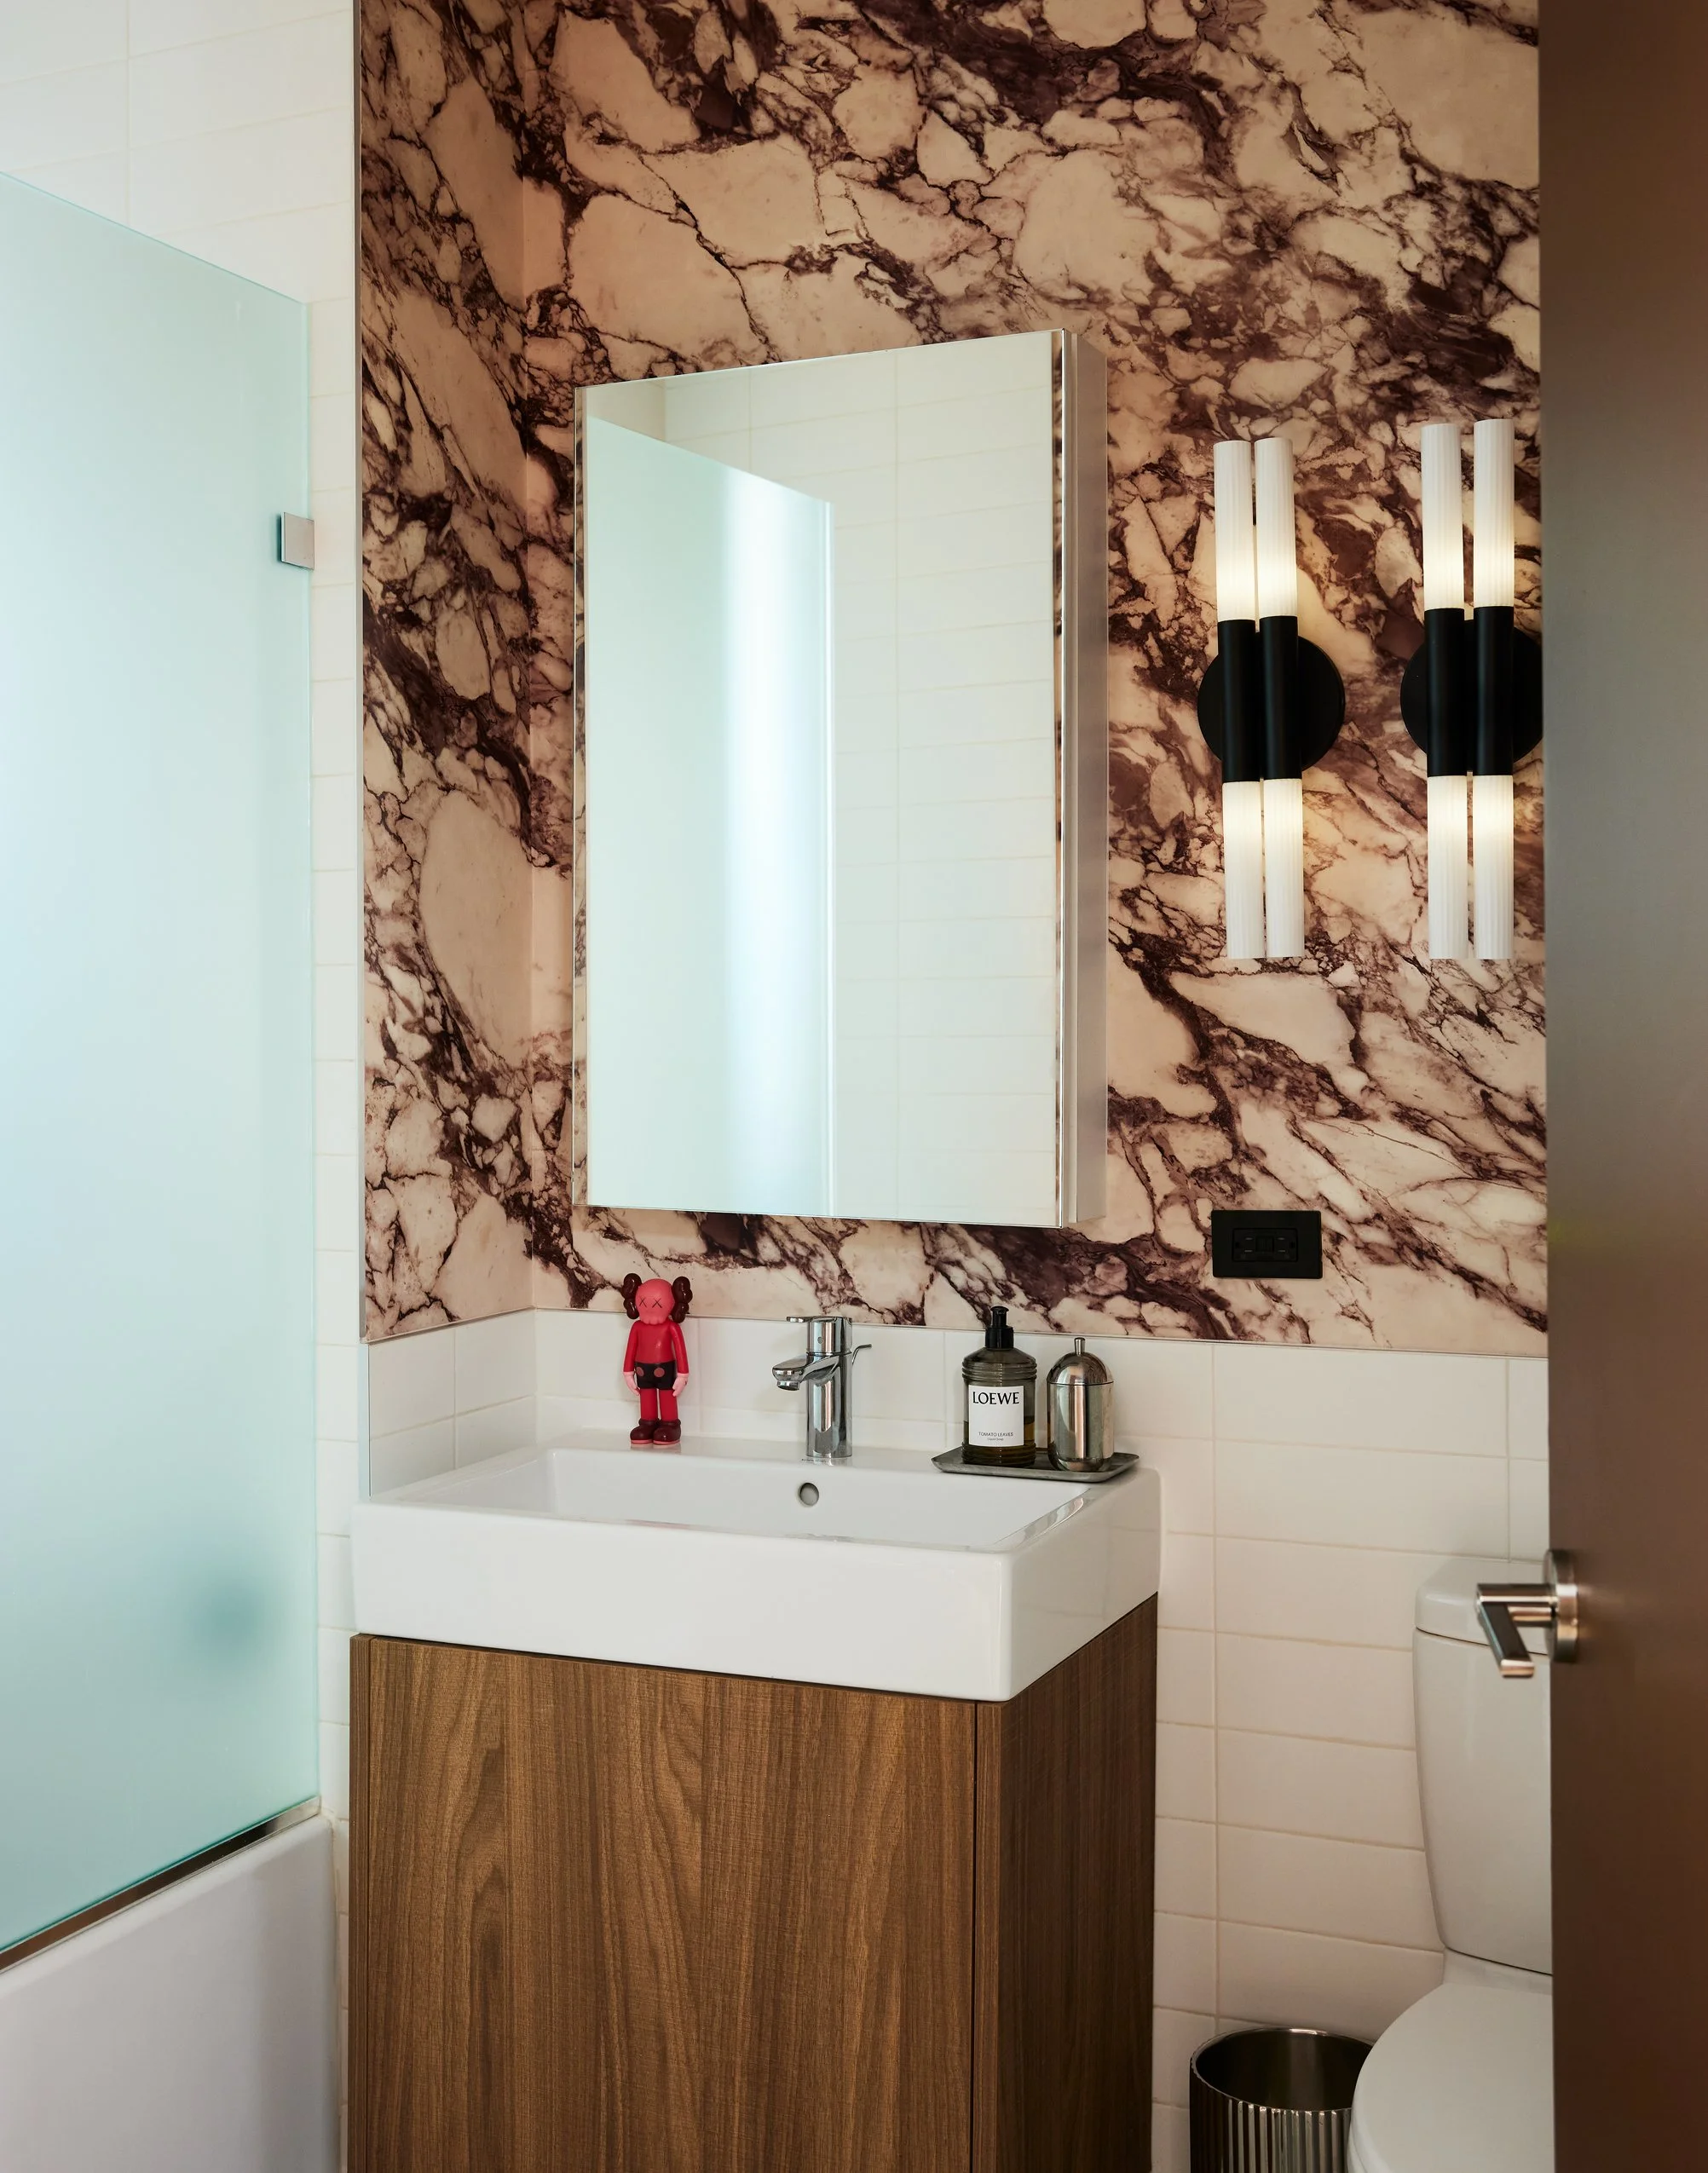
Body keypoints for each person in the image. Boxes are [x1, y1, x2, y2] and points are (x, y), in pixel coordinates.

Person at [621, 1272, 692, 1444]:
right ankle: (647, 1423)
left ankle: (670, 1424)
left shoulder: (672, 1327)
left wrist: (683, 1375)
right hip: (641, 1369)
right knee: (646, 1395)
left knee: (667, 1395)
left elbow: (681, 1351)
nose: (649, 1307)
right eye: (643, 1302)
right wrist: (627, 1373)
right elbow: (630, 1349)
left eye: (657, 1303)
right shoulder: (637, 1327)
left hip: (665, 1368)